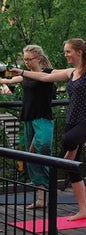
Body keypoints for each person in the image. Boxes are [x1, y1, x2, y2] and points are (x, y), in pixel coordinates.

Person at [12, 39, 86, 221]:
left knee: (67, 142)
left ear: (79, 52)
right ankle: (83, 210)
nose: (65, 55)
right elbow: (44, 77)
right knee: (72, 169)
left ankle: (67, 158)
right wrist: (22, 71)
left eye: (68, 51)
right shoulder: (70, 72)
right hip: (71, 122)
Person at [0, 45, 55, 209]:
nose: (26, 62)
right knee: (32, 159)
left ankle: (49, 191)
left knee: (43, 148)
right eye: (24, 59)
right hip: (29, 118)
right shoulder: (25, 76)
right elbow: (9, 80)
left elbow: (65, 74)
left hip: (43, 118)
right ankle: (40, 198)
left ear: (38, 58)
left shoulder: (48, 73)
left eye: (29, 59)